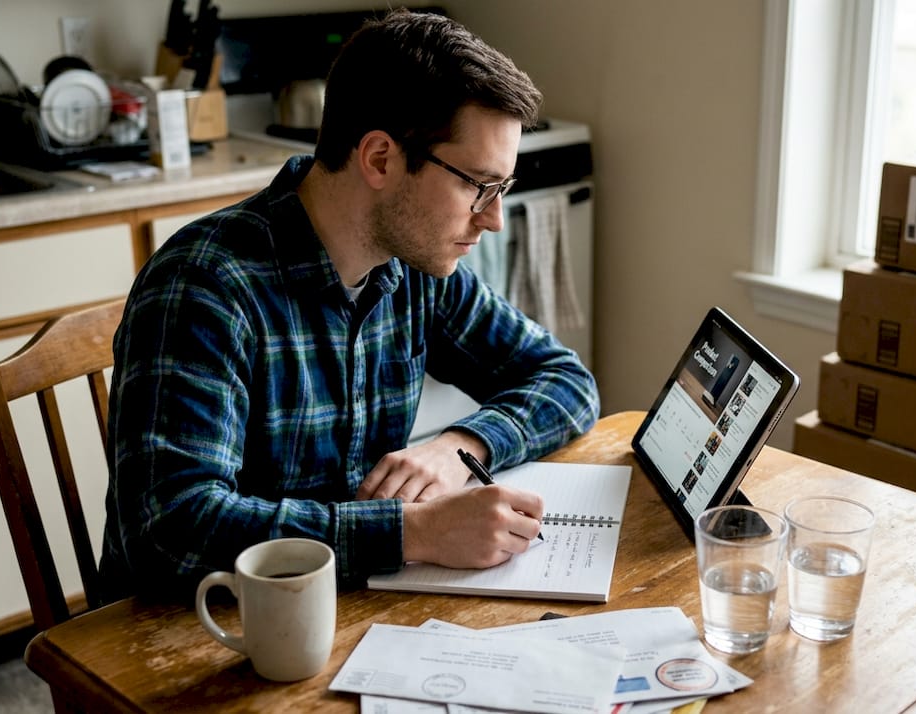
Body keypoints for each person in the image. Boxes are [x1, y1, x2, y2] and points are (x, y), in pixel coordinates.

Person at [98, 9, 599, 601]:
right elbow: (170, 531)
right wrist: (414, 532)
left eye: (501, 189)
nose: (492, 218)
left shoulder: (416, 269)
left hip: (347, 604)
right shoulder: (205, 288)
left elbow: (566, 379)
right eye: (476, 185)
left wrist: (460, 448)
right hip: (200, 637)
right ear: (381, 158)